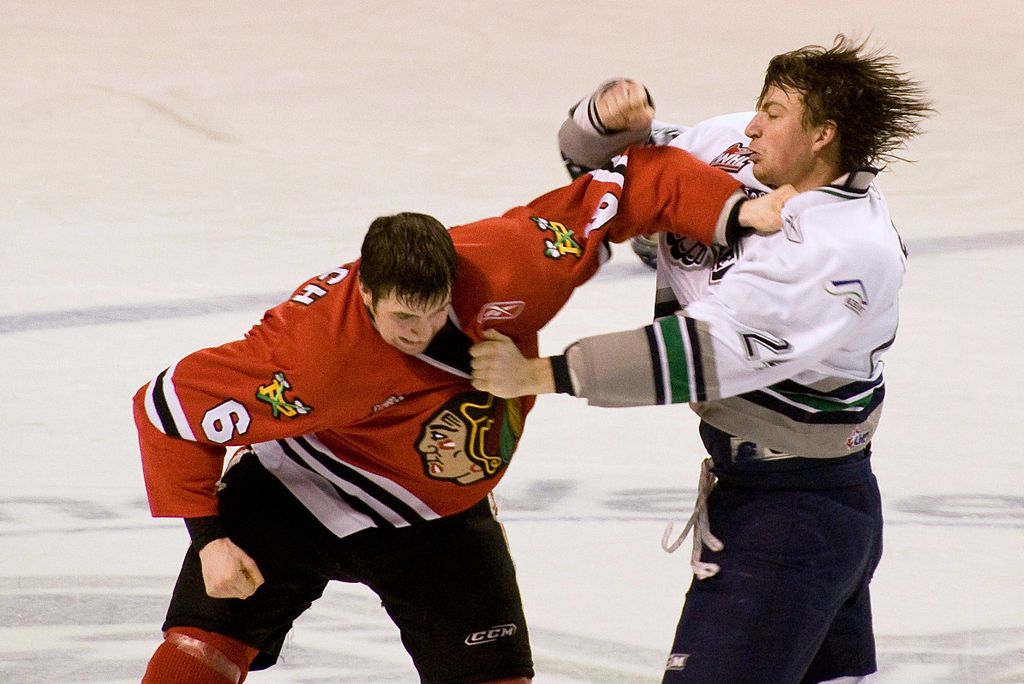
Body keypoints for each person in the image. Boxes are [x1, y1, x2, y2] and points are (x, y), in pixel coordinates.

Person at [132, 137, 793, 682]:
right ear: (365, 293)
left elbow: (629, 183)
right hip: (297, 489)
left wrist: (734, 211)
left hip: (436, 519)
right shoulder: (305, 360)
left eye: (430, 311)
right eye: (399, 319)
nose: (417, 331)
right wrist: (209, 537)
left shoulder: (513, 264)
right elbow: (168, 407)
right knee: (198, 655)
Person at [470, 36, 932, 684]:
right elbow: (607, 177)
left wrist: (541, 373)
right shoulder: (738, 154)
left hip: (796, 517)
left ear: (823, 135)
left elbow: (704, 352)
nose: (750, 125)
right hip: (774, 497)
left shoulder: (847, 252)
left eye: (773, 112)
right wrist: (603, 121)